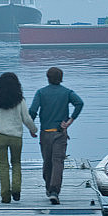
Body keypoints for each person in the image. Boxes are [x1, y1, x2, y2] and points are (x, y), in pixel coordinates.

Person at [28, 66, 84, 205]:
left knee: (47, 162)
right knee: (58, 162)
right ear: (61, 78)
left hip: (45, 133)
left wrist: (31, 127)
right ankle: (54, 191)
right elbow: (79, 103)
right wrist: (70, 120)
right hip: (60, 133)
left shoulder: (41, 93)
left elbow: (33, 110)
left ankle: (49, 188)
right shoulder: (67, 92)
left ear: (48, 78)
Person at [0, 72, 38, 204]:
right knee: (16, 163)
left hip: (0, 136)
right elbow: (26, 118)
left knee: (3, 165)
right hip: (16, 137)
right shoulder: (20, 101)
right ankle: (16, 190)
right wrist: (33, 130)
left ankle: (5, 195)